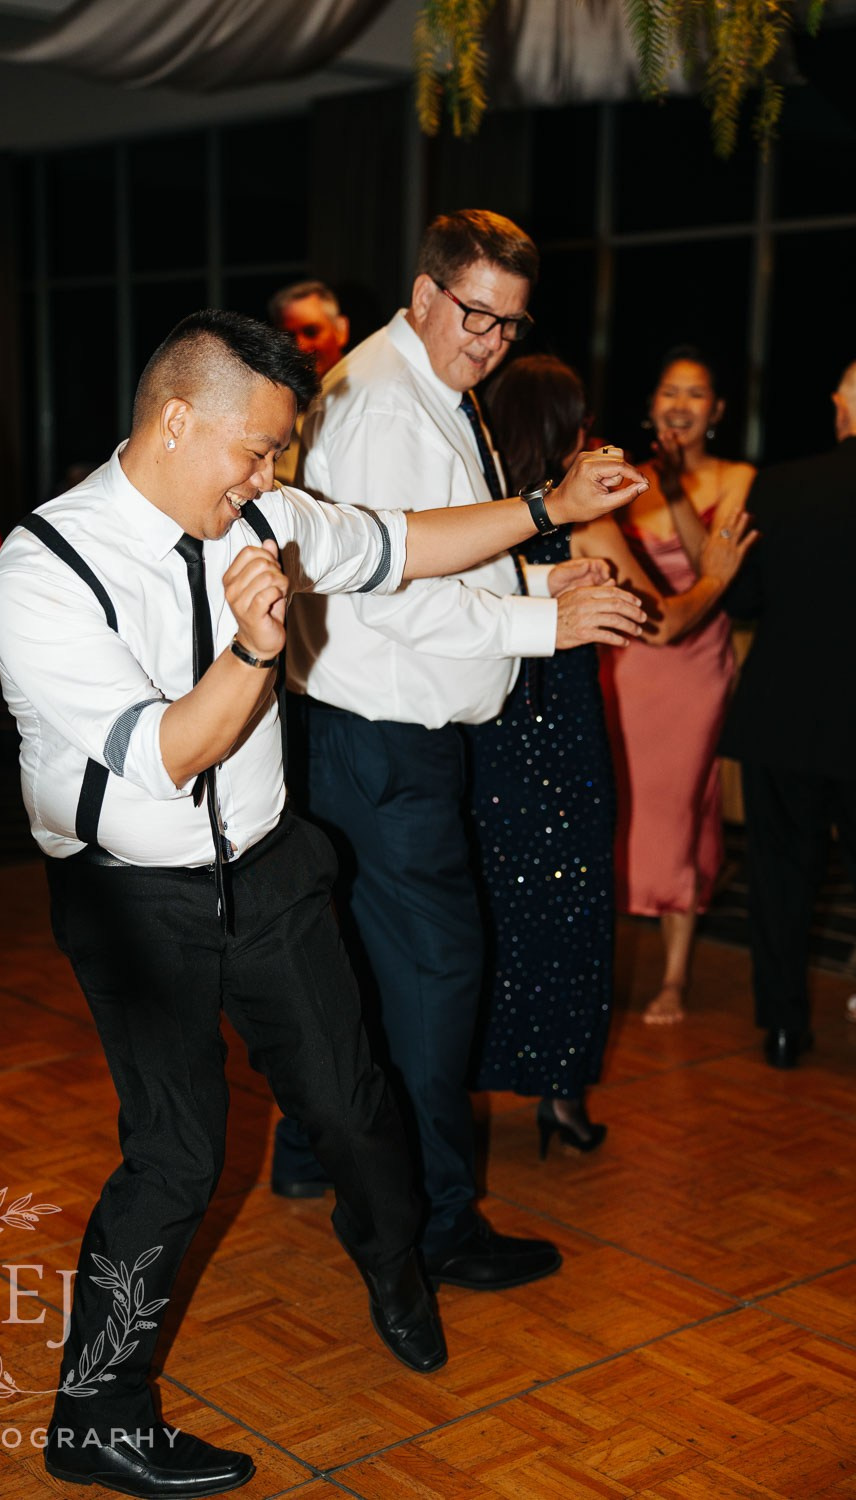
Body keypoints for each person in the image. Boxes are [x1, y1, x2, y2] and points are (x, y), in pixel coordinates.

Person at [0, 308, 649, 1499]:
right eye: (255, 451)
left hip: (271, 867)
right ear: (178, 419)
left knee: (353, 1103)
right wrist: (249, 651)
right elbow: (168, 756)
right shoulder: (47, 568)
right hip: (133, 897)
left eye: (278, 457)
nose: (269, 479)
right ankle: (96, 1415)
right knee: (177, 1155)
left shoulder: (260, 510)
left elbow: (396, 543)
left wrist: (545, 513)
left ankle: (396, 1268)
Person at [277, 209, 648, 1288]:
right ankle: (437, 1225)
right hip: (385, 742)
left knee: (356, 971)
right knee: (438, 981)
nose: (490, 341)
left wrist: (540, 581)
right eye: (475, 314)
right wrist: (545, 625)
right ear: (427, 291)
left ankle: (309, 1156)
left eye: (509, 324)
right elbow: (385, 600)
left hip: (362, 735)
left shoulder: (425, 387)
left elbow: (439, 562)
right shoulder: (390, 406)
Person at [467, 355, 755, 1152]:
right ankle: (560, 1093)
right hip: (560, 728)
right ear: (565, 427)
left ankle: (472, 1071)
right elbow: (659, 622)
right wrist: (719, 577)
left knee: (494, 902)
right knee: (573, 904)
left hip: (488, 726)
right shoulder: (582, 520)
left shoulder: (481, 512)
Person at [599, 346, 755, 1024]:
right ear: (651, 406)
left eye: (695, 395)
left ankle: (673, 975)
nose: (680, 406)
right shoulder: (619, 477)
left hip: (695, 666)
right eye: (670, 392)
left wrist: (672, 490)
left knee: (679, 806)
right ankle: (601, 954)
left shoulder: (737, 476)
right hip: (626, 661)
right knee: (615, 799)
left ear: (716, 412)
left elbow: (711, 569)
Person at [720, 362, 856, 1068]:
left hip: (784, 713)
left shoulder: (776, 487)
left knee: (778, 877)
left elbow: (743, 602)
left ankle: (781, 1028)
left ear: (842, 407)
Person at [268, 279, 350, 482]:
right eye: (288, 336)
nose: (300, 345)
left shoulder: (363, 394)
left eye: (311, 331)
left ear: (341, 330)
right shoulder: (269, 401)